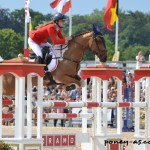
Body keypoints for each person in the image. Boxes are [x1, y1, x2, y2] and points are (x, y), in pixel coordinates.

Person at [28, 13, 72, 81]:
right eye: (62, 21)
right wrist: (66, 39)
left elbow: (62, 39)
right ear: (57, 21)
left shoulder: (57, 29)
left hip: (41, 41)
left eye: (63, 21)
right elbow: (56, 42)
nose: (63, 22)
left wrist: (68, 41)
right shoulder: (51, 27)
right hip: (33, 40)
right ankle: (42, 72)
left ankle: (49, 68)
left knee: (52, 49)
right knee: (40, 54)